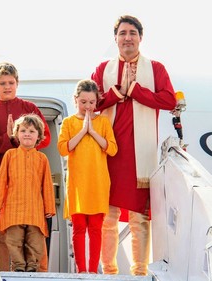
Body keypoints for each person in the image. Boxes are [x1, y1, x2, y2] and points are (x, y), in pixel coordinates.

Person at [91, 15, 177, 275]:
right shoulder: (103, 68)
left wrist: (135, 90)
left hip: (141, 153)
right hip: (109, 151)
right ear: (115, 38)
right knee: (108, 216)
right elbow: (89, 102)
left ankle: (140, 272)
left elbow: (169, 100)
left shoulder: (156, 68)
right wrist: (118, 92)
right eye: (122, 33)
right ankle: (109, 272)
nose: (127, 38)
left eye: (132, 33)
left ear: (141, 37)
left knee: (140, 217)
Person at [0, 62, 51, 271]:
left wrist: (21, 141)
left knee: (32, 233)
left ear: (17, 84)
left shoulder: (29, 109)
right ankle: (0, 275)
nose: (7, 87)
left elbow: (46, 138)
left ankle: (35, 274)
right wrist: (7, 140)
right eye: (2, 83)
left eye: (10, 82)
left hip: (27, 186)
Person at [57, 79, 117, 274]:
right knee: (79, 228)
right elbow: (63, 149)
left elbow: (113, 149)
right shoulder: (68, 122)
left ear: (96, 102)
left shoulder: (103, 122)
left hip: (98, 182)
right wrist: (83, 130)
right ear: (75, 100)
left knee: (95, 229)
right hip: (77, 184)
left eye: (92, 102)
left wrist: (92, 131)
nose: (88, 106)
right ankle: (81, 271)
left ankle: (93, 271)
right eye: (83, 102)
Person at [0, 113, 56, 272]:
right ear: (16, 134)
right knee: (14, 241)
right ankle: (19, 268)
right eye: (23, 130)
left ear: (39, 136)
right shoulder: (10, 155)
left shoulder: (42, 159)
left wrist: (49, 208)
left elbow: (47, 184)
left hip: (35, 210)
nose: (27, 134)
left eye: (32, 131)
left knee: (35, 241)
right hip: (13, 209)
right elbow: (1, 180)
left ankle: (32, 268)